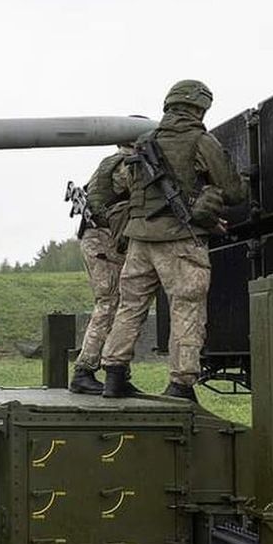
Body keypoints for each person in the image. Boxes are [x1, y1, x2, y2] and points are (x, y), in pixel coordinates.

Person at [100, 80, 246, 401]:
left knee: (130, 307)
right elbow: (235, 191)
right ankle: (181, 384)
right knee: (187, 308)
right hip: (179, 239)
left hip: (138, 240)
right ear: (199, 107)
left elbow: (122, 184)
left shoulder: (142, 142)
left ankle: (113, 375)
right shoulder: (200, 141)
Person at [68, 143, 131, 394]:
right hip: (103, 239)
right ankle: (84, 370)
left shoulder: (112, 163)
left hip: (99, 238)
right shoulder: (125, 165)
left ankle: (116, 373)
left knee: (117, 303)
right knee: (110, 302)